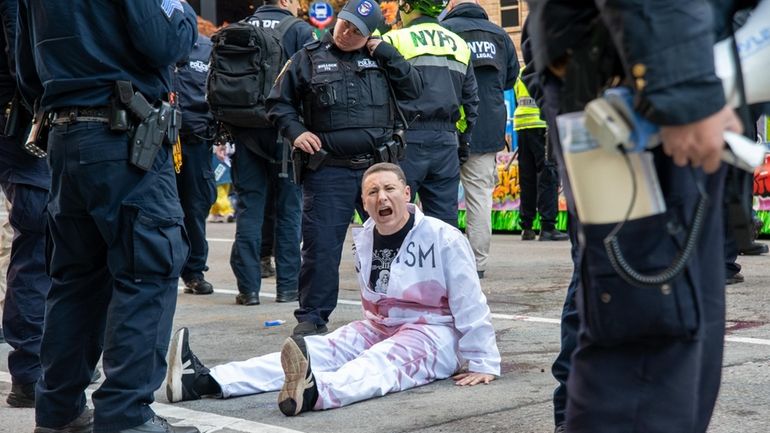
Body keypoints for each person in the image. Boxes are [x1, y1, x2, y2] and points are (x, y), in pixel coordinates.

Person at [527, 0, 750, 432]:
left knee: (673, 348)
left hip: (642, 74)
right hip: (641, 91)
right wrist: (681, 86)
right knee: (649, 352)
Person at [165, 162, 500, 416]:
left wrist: (482, 361)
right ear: (364, 203)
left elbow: (470, 302)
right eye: (372, 192)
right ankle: (205, 380)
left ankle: (315, 391)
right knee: (318, 349)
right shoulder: (366, 234)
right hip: (379, 325)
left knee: (380, 363)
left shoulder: (444, 237)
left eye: (389, 189)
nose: (381, 197)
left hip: (433, 333)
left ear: (406, 193)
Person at [16, 1, 200, 432]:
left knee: (75, 280)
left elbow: (26, 69)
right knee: (147, 272)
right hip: (124, 137)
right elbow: (165, 40)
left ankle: (59, 411)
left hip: (64, 136)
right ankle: (126, 416)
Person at [267, 0, 423, 336]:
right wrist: (297, 132)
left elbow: (415, 91)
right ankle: (313, 316)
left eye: (357, 31)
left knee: (397, 240)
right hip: (329, 171)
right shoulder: (307, 57)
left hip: (378, 169)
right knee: (321, 245)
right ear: (337, 19)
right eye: (344, 24)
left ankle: (402, 308)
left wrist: (389, 56)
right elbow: (278, 103)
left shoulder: (383, 58)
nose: (347, 33)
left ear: (371, 34)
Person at [226, 0, 316, 307]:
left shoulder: (242, 28)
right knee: (289, 210)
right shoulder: (300, 30)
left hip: (245, 129)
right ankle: (287, 287)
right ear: (287, 1)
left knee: (249, 210)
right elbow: (314, 80)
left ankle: (248, 290)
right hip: (286, 132)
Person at [382, 0, 479, 228]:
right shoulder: (459, 44)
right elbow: (471, 103)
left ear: (407, 7)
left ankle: (395, 264)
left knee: (394, 218)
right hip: (446, 142)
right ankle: (443, 265)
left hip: (404, 140)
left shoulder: (394, 40)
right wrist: (463, 143)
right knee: (444, 224)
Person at [440, 0, 518, 278]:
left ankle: (439, 261)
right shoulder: (499, 35)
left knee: (439, 197)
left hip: (446, 124)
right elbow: (510, 80)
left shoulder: (443, 31)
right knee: (479, 198)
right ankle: (477, 263)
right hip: (486, 127)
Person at [0, 0, 51, 409]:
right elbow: (27, 63)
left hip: (19, 128)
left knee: (36, 245)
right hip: (24, 129)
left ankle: (34, 370)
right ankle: (31, 371)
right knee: (38, 245)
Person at [512, 21, 568, 243]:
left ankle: (526, 226)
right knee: (547, 174)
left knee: (526, 178)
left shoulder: (523, 73)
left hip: (522, 126)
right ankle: (548, 227)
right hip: (541, 126)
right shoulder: (545, 70)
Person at [174, 32, 217, 295]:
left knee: (196, 205)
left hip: (195, 141)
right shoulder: (152, 37)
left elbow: (220, 89)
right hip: (155, 141)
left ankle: (193, 271)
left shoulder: (206, 48)